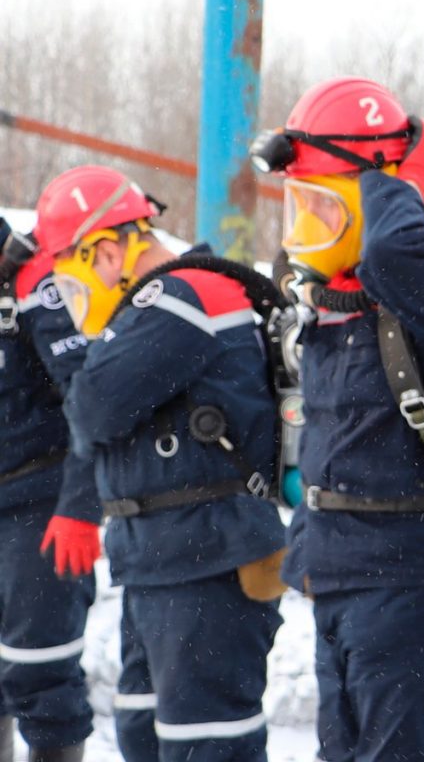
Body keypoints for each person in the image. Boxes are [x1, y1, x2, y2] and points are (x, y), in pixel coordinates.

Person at [250, 77, 424, 761]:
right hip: (340, 576)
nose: (304, 231)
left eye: (324, 207)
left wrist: (392, 173)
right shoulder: (332, 304)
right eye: (300, 206)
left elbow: (394, 251)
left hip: (409, 585)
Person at [33, 165, 286, 762]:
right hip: (165, 558)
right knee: (143, 733)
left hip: (206, 558)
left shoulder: (181, 296)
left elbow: (93, 408)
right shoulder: (155, 306)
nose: (73, 299)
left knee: (205, 746)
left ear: (106, 251)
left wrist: (91, 362)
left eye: (71, 277)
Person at [0, 218, 98, 761]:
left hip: (38, 502)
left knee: (41, 674)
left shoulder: (34, 281)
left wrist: (80, 507)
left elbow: (90, 400)